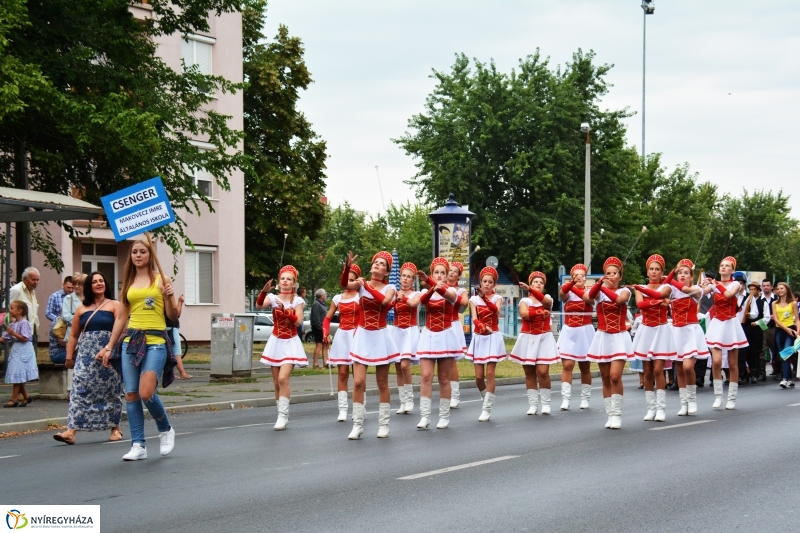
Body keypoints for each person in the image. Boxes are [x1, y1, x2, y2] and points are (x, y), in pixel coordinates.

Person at [108, 239, 179, 461]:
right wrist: (109, 346)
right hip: (132, 341)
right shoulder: (128, 282)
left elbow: (173, 316)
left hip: (156, 340)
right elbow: (121, 317)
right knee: (131, 394)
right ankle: (138, 445)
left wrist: (169, 296)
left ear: (150, 255)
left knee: (146, 393)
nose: (138, 255)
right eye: (134, 252)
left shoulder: (161, 279)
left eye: (143, 252)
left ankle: (165, 429)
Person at [53, 271, 127, 445]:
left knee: (111, 391)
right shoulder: (81, 308)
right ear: (89, 286)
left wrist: (108, 348)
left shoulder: (115, 305)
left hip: (108, 354)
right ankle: (71, 431)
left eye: (101, 280)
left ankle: (115, 428)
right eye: (95, 282)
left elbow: (123, 331)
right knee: (79, 390)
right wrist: (69, 357)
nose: (99, 284)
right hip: (86, 356)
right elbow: (73, 335)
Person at [341, 251, 399, 439]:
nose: (377, 265)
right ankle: (357, 424)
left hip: (381, 336)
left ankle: (383, 424)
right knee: (358, 382)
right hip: (363, 336)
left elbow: (384, 300)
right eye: (375, 262)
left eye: (382, 264)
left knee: (382, 382)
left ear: (386, 271)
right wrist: (347, 268)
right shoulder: (360, 284)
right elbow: (344, 285)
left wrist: (367, 285)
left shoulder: (389, 287)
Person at [584, 257, 633, 429]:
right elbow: (588, 297)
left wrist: (603, 288)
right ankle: (610, 414)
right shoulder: (598, 292)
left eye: (614, 273)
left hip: (619, 336)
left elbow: (619, 300)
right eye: (608, 273)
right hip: (603, 337)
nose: (611, 276)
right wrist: (598, 285)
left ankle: (617, 414)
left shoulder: (625, 291)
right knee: (605, 377)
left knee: (615, 376)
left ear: (620, 276)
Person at [257, 265, 306, 430]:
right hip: (276, 342)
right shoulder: (272, 298)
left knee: (283, 379)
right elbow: (259, 306)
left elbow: (298, 322)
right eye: (283, 278)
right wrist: (263, 292)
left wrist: (285, 311)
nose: (285, 281)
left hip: (290, 342)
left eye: (289, 279)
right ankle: (280, 414)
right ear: (279, 282)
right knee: (276, 382)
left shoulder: (297, 301)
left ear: (294, 283)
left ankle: (283, 416)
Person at [414, 257, 461, 428]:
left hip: (446, 336)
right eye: (436, 272)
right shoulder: (425, 292)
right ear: (432, 273)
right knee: (426, 376)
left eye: (442, 273)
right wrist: (429, 285)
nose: (439, 275)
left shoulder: (452, 291)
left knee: (443, 378)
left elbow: (447, 295)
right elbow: (423, 301)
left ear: (447, 275)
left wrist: (429, 281)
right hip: (428, 335)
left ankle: (444, 416)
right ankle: (425, 416)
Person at [632, 254, 676, 422]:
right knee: (648, 371)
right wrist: (659, 303)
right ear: (647, 271)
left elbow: (658, 295)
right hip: (646, 330)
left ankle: (661, 408)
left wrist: (656, 299)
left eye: (657, 269)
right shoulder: (640, 288)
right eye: (651, 269)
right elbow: (640, 305)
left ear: (662, 272)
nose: (654, 272)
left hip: (661, 330)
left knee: (658, 369)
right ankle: (651, 408)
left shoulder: (667, 287)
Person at [703, 256, 748, 410]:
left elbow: (728, 294)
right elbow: (700, 293)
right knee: (716, 362)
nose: (723, 267)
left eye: (727, 266)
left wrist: (715, 284)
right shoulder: (714, 285)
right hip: (717, 324)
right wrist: (700, 285)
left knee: (733, 363)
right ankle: (718, 396)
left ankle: (732, 398)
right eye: (722, 265)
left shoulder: (736, 284)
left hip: (731, 324)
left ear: (732, 270)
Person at [666, 259, 710, 416]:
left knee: (687, 367)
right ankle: (683, 403)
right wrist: (672, 273)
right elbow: (663, 285)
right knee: (679, 368)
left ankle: (692, 400)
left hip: (691, 331)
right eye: (680, 273)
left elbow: (685, 290)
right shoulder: (671, 289)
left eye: (686, 273)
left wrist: (671, 279)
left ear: (692, 276)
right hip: (676, 331)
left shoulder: (696, 289)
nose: (682, 275)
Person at [512, 271, 558, 416]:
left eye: (541, 282)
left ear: (544, 286)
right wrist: (538, 313)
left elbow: (547, 304)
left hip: (544, 337)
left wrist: (531, 290)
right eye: (535, 282)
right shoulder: (525, 301)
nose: (538, 284)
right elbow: (524, 314)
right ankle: (533, 404)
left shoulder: (547, 298)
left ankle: (546, 403)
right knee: (529, 372)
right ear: (530, 284)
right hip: (528, 337)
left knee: (543, 372)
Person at [467, 266, 507, 421]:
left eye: (490, 282)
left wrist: (484, 298)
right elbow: (474, 318)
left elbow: (495, 311)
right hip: (479, 337)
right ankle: (486, 398)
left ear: (494, 284)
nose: (487, 284)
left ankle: (486, 408)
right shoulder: (473, 300)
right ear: (480, 282)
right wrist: (481, 326)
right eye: (485, 281)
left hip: (493, 337)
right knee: (478, 377)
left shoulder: (498, 298)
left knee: (490, 373)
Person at [324, 264, 361, 421]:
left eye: (352, 280)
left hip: (357, 334)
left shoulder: (360, 296)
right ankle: (343, 409)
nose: (348, 283)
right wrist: (325, 332)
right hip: (342, 336)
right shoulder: (337, 298)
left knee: (358, 376)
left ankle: (360, 407)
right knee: (342, 373)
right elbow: (327, 318)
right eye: (347, 279)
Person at [555, 264, 595, 410]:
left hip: (584, 331)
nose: (579, 277)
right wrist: (571, 284)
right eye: (575, 275)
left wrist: (574, 287)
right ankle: (565, 399)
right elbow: (562, 294)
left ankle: (585, 398)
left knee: (585, 367)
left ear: (585, 278)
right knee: (567, 365)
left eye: (581, 275)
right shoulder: (567, 291)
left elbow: (589, 300)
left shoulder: (590, 291)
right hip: (569, 331)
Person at [389, 262, 420, 415]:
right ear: (400, 278)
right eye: (403, 276)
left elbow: (413, 304)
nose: (406, 279)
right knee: (397, 367)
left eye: (409, 277)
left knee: (404, 366)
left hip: (409, 331)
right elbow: (386, 306)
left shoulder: (416, 294)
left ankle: (409, 399)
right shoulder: (394, 293)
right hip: (397, 331)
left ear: (413, 280)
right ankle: (402, 401)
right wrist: (395, 299)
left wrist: (403, 298)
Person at [2, 301, 38, 407]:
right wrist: (7, 334)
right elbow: (4, 337)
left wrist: (13, 333)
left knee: (17, 373)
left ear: (19, 311)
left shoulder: (24, 323)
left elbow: (25, 338)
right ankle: (26, 396)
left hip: (24, 350)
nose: (10, 310)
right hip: (17, 349)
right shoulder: (13, 324)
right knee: (17, 373)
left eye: (12, 308)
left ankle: (13, 399)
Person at [446, 261, 469, 408]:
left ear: (459, 276)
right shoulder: (439, 286)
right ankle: (446, 393)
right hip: (438, 325)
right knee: (440, 361)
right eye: (449, 270)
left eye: (454, 271)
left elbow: (465, 302)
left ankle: (455, 395)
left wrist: (451, 293)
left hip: (452, 325)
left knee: (451, 361)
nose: (451, 273)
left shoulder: (461, 290)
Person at [770, 282, 799, 389]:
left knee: (786, 352)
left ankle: (785, 379)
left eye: (782, 288)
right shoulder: (774, 303)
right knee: (783, 354)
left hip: (791, 329)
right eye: (778, 289)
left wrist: (798, 331)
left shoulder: (793, 303)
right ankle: (790, 378)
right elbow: (776, 319)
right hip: (780, 330)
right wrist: (785, 329)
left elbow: (797, 319)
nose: (780, 290)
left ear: (787, 289)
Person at [46, 276, 73, 364]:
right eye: (68, 287)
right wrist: (61, 322)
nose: (71, 290)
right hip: (59, 351)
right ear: (63, 284)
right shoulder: (54, 296)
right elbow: (48, 313)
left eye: (72, 288)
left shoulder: (74, 297)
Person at [741, 282, 764, 384]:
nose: (752, 291)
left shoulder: (763, 302)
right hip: (747, 327)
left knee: (756, 351)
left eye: (754, 289)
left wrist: (757, 323)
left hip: (758, 328)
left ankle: (757, 372)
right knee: (746, 351)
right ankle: (746, 373)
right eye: (750, 289)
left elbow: (767, 318)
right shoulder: (747, 299)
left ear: (758, 290)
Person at [9, 267, 40, 335]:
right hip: (20, 333)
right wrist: (15, 327)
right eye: (33, 279)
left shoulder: (32, 292)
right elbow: (6, 309)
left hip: (32, 331)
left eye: (37, 280)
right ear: (25, 279)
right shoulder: (16, 290)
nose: (36, 282)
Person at [167, 295, 191, 379]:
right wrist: (179, 302)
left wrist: (179, 302)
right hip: (171, 328)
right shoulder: (168, 299)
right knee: (176, 351)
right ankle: (182, 373)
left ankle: (170, 373)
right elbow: (177, 314)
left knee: (168, 352)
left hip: (168, 327)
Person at [758, 279, 779, 379]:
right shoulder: (759, 299)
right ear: (762, 287)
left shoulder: (777, 299)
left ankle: (778, 371)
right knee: (762, 349)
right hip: (762, 325)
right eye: (764, 285)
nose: (766, 287)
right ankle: (762, 373)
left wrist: (775, 317)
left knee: (775, 348)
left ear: (771, 287)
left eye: (767, 285)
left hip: (774, 326)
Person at [310, 289, 328, 368]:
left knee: (325, 344)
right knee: (319, 345)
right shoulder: (316, 304)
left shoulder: (322, 304)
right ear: (321, 296)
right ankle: (315, 363)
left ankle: (325, 363)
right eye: (325, 294)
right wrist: (319, 328)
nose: (326, 295)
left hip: (323, 326)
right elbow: (316, 317)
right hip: (318, 327)